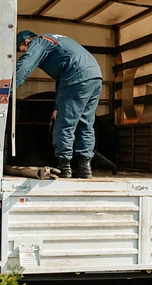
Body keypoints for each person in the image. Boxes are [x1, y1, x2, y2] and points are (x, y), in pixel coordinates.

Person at [14, 30, 103, 179]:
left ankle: (64, 166)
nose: (22, 51)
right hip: (95, 76)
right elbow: (61, 79)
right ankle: (84, 168)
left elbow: (26, 63)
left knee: (64, 123)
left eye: (21, 48)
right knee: (86, 123)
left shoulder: (39, 41)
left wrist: (7, 89)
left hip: (76, 76)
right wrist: (57, 106)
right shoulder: (57, 40)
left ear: (26, 41)